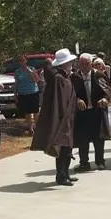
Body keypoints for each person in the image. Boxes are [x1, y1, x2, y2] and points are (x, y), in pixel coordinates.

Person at [31, 48, 78, 186]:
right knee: (63, 148)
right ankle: (61, 175)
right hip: (63, 119)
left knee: (67, 148)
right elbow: (60, 101)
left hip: (68, 118)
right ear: (64, 64)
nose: (72, 65)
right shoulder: (59, 79)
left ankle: (66, 173)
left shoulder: (64, 77)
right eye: (70, 62)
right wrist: (63, 118)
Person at [71, 53, 111, 172]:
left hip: (96, 111)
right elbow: (70, 94)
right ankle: (84, 163)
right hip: (82, 113)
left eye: (86, 64)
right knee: (82, 139)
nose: (84, 66)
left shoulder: (98, 75)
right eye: (81, 64)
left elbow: (107, 90)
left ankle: (100, 162)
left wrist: (105, 99)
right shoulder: (75, 77)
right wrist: (77, 100)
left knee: (99, 138)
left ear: (91, 64)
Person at [14, 56, 41, 134]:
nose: (22, 62)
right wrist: (15, 95)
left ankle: (38, 128)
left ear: (26, 61)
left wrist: (30, 72)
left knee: (36, 112)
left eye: (23, 60)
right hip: (23, 94)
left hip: (33, 93)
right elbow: (16, 84)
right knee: (27, 112)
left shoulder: (32, 68)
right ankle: (30, 129)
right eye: (20, 61)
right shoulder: (17, 71)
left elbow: (36, 80)